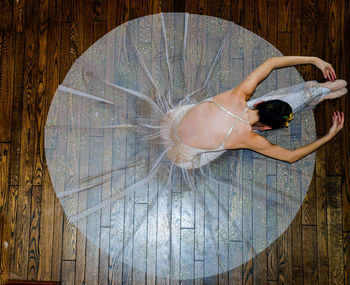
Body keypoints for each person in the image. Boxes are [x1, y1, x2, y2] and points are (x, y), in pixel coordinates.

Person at [162, 56, 346, 169]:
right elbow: (290, 157)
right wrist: (329, 136)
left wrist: (315, 60)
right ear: (265, 128)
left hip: (173, 120)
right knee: (223, 141)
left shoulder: (240, 94)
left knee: (220, 120)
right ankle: (312, 95)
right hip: (183, 157)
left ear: (262, 102)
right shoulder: (250, 139)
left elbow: (271, 62)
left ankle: (313, 94)